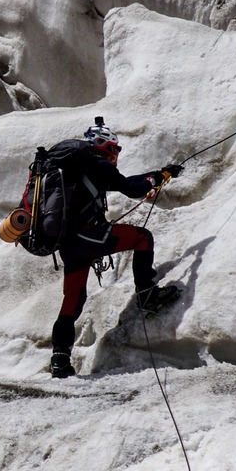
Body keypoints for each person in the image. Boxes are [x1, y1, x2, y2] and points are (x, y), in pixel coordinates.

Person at [40, 120, 184, 378]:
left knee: (72, 301)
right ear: (104, 146)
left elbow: (125, 182)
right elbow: (132, 188)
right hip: (90, 238)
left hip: (70, 247)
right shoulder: (98, 165)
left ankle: (60, 359)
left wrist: (160, 173)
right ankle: (148, 295)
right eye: (115, 148)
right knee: (142, 238)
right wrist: (158, 178)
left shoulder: (80, 170)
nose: (116, 154)